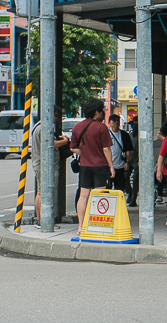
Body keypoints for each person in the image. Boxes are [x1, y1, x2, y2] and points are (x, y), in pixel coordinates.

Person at [69, 99, 114, 236]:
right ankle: (96, 225)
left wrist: (84, 153)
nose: (104, 113)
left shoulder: (77, 127)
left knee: (83, 196)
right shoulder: (101, 128)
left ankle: (80, 227)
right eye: (102, 110)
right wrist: (111, 166)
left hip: (84, 166)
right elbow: (106, 149)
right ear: (96, 112)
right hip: (100, 166)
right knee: (99, 195)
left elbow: (73, 148)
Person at [32, 107, 70, 224]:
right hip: (45, 165)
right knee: (42, 192)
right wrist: (65, 141)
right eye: (56, 115)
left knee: (41, 192)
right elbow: (51, 144)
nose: (57, 119)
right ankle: (41, 219)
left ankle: (41, 219)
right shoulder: (44, 128)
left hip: (42, 164)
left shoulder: (38, 126)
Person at [106, 114, 133, 195]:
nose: (116, 123)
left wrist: (127, 162)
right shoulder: (106, 134)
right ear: (109, 122)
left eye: (118, 121)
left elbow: (128, 150)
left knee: (120, 188)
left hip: (120, 165)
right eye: (114, 121)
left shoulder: (124, 135)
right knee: (107, 188)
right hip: (108, 166)